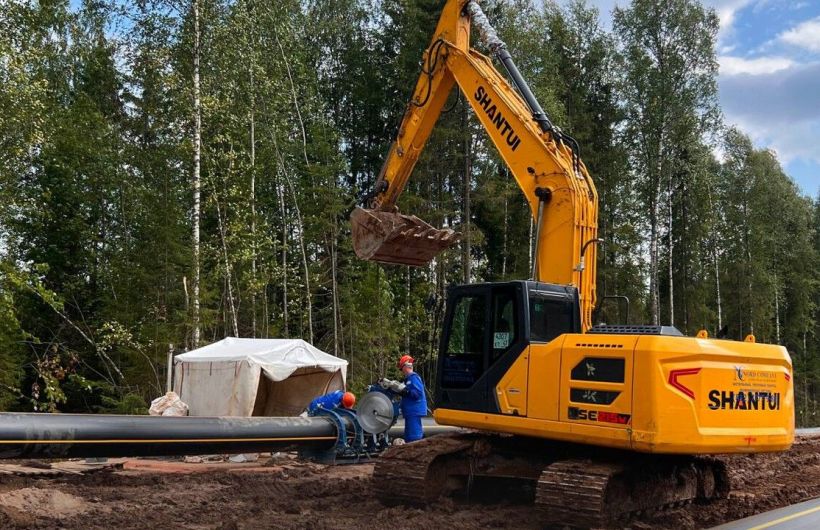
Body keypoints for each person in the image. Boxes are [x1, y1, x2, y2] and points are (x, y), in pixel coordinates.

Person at [380, 355, 427, 442]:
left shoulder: (413, 378)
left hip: (414, 411)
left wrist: (404, 391)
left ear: (406, 366)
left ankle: (415, 451)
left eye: (401, 369)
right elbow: (404, 392)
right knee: (409, 435)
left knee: (414, 437)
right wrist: (392, 386)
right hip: (410, 411)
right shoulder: (408, 379)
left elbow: (417, 394)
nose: (402, 371)